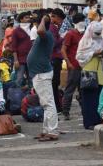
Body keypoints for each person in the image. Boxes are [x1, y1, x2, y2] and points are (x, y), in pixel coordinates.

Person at [27, 14, 58, 142]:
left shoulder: (46, 35)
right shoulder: (46, 35)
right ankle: (47, 130)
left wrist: (43, 19)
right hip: (39, 73)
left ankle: (52, 131)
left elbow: (40, 30)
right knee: (45, 103)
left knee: (48, 103)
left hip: (42, 73)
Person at [76, 21, 103, 130]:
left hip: (99, 72)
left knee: (99, 98)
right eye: (96, 33)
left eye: (99, 33)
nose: (98, 36)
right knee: (89, 99)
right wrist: (93, 53)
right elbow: (79, 57)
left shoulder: (101, 40)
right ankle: (89, 122)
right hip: (89, 72)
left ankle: (98, 120)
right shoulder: (84, 41)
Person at [61, 14, 86, 120]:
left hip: (83, 65)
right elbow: (63, 50)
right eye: (82, 21)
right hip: (74, 66)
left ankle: (84, 109)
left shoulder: (84, 34)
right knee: (70, 89)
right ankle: (66, 111)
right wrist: (69, 63)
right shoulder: (70, 34)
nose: (84, 22)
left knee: (83, 89)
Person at [11, 12, 33, 87]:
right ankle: (16, 96)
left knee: (31, 79)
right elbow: (13, 47)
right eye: (26, 18)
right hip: (20, 59)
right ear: (21, 19)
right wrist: (16, 60)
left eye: (29, 18)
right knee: (19, 79)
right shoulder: (16, 31)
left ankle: (31, 96)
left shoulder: (32, 29)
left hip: (31, 58)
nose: (28, 19)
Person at [50, 8, 65, 112]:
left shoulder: (54, 27)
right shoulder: (51, 28)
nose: (61, 22)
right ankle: (57, 106)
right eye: (60, 19)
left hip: (56, 58)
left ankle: (57, 105)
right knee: (54, 83)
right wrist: (63, 38)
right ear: (54, 17)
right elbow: (54, 43)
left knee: (55, 83)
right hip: (54, 58)